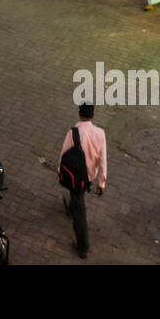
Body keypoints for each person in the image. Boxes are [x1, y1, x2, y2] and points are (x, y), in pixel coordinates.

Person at [59, 102, 107, 258]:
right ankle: (71, 207)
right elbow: (103, 160)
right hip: (89, 175)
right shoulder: (100, 133)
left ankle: (83, 247)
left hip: (75, 176)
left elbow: (64, 154)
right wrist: (101, 183)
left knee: (80, 212)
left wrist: (60, 171)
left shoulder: (73, 133)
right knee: (77, 196)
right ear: (92, 116)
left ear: (80, 114)